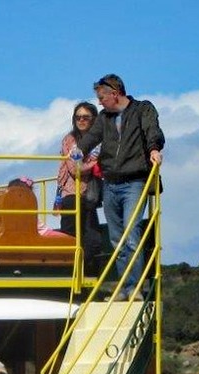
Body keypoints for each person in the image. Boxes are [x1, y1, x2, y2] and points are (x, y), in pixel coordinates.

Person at [71, 73, 165, 300]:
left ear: (115, 93)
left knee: (131, 237)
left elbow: (153, 130)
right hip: (110, 183)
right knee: (117, 240)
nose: (99, 102)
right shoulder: (104, 118)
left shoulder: (143, 109)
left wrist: (154, 148)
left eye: (102, 97)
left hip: (134, 181)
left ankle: (134, 288)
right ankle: (124, 287)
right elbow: (90, 139)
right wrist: (78, 151)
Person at [57, 102, 102, 240]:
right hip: (71, 193)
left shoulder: (101, 139)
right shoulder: (69, 140)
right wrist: (94, 163)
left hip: (90, 194)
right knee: (70, 236)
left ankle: (86, 262)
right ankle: (71, 262)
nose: (81, 120)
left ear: (94, 119)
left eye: (85, 117)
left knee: (93, 239)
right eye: (78, 117)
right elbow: (75, 169)